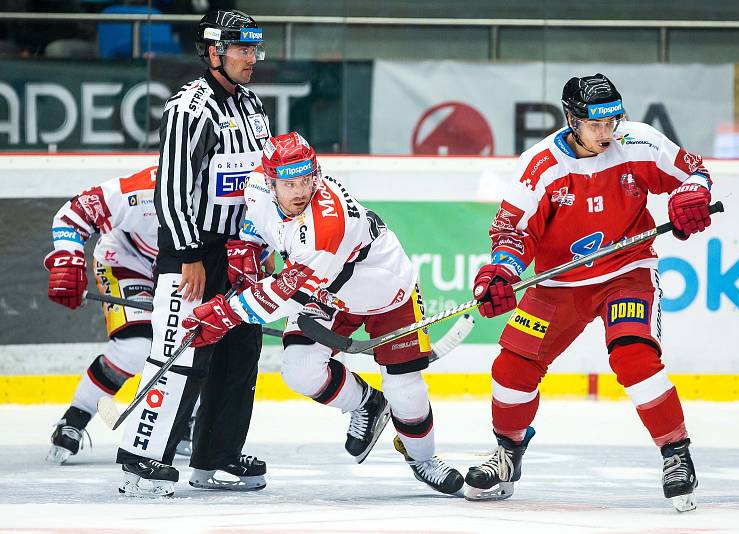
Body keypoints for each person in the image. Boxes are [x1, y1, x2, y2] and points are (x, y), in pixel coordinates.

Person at [463, 73, 712, 512]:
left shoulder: (638, 143)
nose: (606, 132)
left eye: (612, 120)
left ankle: (676, 454)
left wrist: (691, 195)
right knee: (512, 367)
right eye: (595, 123)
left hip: (626, 271)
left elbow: (694, 172)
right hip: (559, 283)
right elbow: (513, 232)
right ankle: (507, 453)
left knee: (633, 354)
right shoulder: (540, 165)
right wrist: (501, 272)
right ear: (571, 120)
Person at [180, 131, 465, 496]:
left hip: (386, 289)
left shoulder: (326, 225)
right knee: (299, 369)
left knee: (405, 389)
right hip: (330, 293)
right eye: (289, 183)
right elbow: (257, 227)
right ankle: (367, 403)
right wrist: (247, 250)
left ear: (316, 174)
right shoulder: (254, 188)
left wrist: (225, 314)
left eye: (306, 180)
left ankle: (423, 460)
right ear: (270, 182)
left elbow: (284, 294)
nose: (300, 191)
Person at [115, 9, 271, 497]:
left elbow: (261, 183)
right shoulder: (190, 107)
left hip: (240, 251)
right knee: (180, 354)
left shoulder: (251, 106)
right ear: (213, 52)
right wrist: (188, 256)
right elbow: (173, 191)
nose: (251, 58)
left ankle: (215, 458)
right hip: (195, 250)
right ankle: (142, 459)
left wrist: (263, 244)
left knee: (240, 353)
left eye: (253, 49)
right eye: (242, 49)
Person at [44, 166, 168, 463]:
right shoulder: (141, 191)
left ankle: (186, 417)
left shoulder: (230, 190)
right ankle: (76, 416)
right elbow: (73, 213)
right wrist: (68, 259)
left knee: (196, 345)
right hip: (127, 261)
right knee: (135, 348)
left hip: (190, 271)